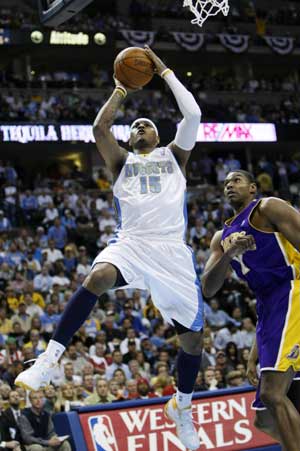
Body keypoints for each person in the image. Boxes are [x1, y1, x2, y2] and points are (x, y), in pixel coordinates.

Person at [15, 46, 203, 451]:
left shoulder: (176, 157)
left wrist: (165, 71)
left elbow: (193, 116)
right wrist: (120, 90)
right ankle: (48, 360)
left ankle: (182, 408)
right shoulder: (120, 162)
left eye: (145, 124)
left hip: (172, 252)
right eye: (134, 125)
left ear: (157, 134)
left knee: (193, 343)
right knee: (98, 276)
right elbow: (101, 129)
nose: (138, 127)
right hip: (132, 244)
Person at [201, 169, 300, 451]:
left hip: (292, 291)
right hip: (270, 306)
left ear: (253, 188)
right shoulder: (223, 237)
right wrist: (229, 254)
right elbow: (208, 288)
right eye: (226, 183)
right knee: (265, 418)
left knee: (272, 394)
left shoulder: (268, 208)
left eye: (237, 180)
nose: (230, 185)